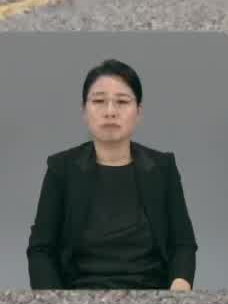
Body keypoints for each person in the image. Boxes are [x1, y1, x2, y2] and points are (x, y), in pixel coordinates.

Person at [25, 59, 198, 290]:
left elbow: (183, 244)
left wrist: (180, 284)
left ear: (139, 112)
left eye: (122, 102)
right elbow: (40, 251)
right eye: (98, 101)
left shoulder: (162, 167)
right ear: (84, 111)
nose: (110, 111)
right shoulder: (62, 168)